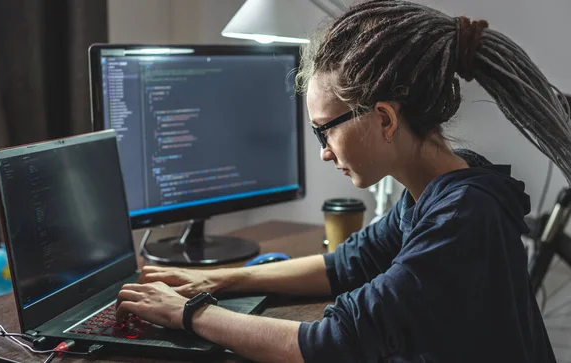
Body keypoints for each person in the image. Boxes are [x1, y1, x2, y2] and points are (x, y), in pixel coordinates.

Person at [116, 1, 570, 362]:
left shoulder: (463, 215)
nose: (324, 151)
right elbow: (347, 264)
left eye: (325, 129)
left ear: (385, 119)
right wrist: (216, 280)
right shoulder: (439, 190)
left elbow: (331, 343)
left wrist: (188, 314)